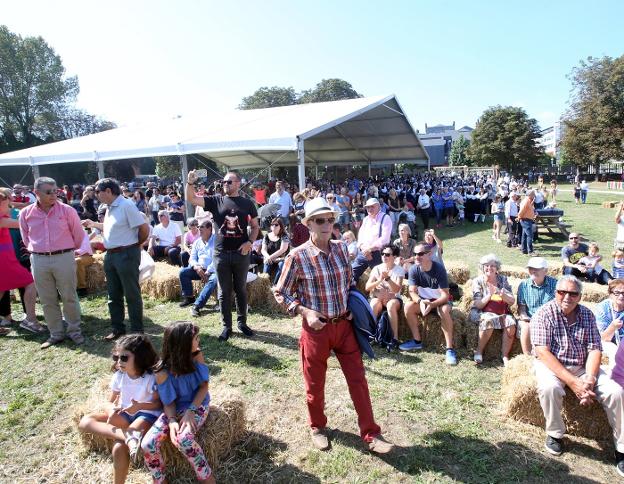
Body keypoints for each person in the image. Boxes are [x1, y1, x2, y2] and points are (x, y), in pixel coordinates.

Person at [273, 197, 394, 453]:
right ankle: (317, 426)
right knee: (315, 383)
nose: (327, 224)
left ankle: (371, 433)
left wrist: (354, 307)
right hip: (316, 329)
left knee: (358, 379)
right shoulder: (297, 256)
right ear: (308, 224)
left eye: (330, 219)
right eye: (320, 220)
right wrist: (304, 311)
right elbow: (280, 292)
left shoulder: (341, 249)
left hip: (344, 327)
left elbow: (349, 283)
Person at [530, 275, 624, 475]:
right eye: (562, 292)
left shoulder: (587, 315)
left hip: (582, 366)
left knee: (616, 391)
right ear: (555, 293)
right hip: (552, 365)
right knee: (549, 388)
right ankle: (555, 434)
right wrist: (574, 383)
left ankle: (622, 447)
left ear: (580, 296)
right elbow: (543, 353)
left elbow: (594, 350)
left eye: (572, 293)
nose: (566, 297)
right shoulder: (543, 313)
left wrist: (589, 379)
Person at [185, 169, 259, 341]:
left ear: (238, 184)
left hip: (241, 255)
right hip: (221, 255)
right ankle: (227, 326)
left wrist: (249, 242)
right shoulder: (215, 200)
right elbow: (191, 198)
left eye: (229, 182)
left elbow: (255, 227)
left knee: (240, 289)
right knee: (224, 292)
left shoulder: (247, 203)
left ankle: (242, 323)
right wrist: (190, 183)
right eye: (224, 182)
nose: (225, 184)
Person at [78, 334, 160, 483]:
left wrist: (139, 406)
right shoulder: (119, 376)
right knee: (84, 422)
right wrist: (112, 409)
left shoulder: (150, 377)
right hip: (125, 415)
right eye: (117, 358)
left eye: (124, 358)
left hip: (145, 415)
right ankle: (130, 438)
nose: (119, 362)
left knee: (118, 448)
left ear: (140, 357)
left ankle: (131, 436)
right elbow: (110, 401)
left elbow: (158, 404)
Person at [141, 322, 215, 484]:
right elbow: (168, 402)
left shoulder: (197, 356)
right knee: (147, 444)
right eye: (196, 338)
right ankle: (160, 480)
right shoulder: (161, 371)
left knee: (184, 440)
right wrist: (172, 421)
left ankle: (206, 478)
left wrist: (191, 411)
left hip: (198, 404)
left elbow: (204, 387)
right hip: (174, 410)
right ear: (183, 344)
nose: (199, 341)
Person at [19, 177, 86, 348]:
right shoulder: (26, 213)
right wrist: (38, 251)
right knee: (47, 299)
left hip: (64, 256)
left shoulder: (67, 211)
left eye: (55, 191)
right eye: (48, 192)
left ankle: (74, 331)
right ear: (36, 193)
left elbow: (78, 235)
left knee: (69, 296)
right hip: (39, 259)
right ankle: (56, 333)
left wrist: (68, 250)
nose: (53, 195)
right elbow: (25, 238)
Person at [82, 178, 150, 341]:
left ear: (108, 191)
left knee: (131, 293)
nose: (96, 195)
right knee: (113, 294)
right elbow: (112, 228)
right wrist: (94, 224)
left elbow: (143, 228)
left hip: (126, 253)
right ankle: (118, 328)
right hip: (112, 255)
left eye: (98, 192)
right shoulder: (110, 207)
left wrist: (135, 245)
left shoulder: (126, 205)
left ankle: (136, 330)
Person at [399, 241, 458, 366]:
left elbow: (445, 296)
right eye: (415, 254)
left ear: (429, 254)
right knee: (408, 306)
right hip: (424, 301)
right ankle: (417, 341)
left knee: (444, 311)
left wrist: (432, 305)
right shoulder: (414, 269)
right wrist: (420, 302)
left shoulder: (439, 269)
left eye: (420, 254)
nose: (416, 257)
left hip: (440, 302)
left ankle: (449, 349)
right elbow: (411, 291)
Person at [0, 188, 42, 335]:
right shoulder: (2, 220)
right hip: (4, 260)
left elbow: (16, 206)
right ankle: (30, 320)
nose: (11, 204)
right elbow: (23, 224)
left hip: (6, 259)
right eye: (7, 201)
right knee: (30, 282)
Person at [469, 254, 516, 366]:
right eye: (486, 265)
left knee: (511, 323)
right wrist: (489, 295)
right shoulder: (478, 281)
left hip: (501, 311)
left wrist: (502, 294)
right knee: (488, 320)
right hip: (482, 311)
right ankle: (479, 351)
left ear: (497, 268)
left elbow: (512, 301)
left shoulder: (503, 280)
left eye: (492, 265)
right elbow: (478, 304)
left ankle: (505, 356)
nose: (489, 268)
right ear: (482, 267)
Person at [365, 244, 405, 350]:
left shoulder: (399, 270)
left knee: (391, 305)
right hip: (378, 297)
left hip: (394, 299)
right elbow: (367, 287)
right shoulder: (376, 268)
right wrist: (379, 280)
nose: (384, 256)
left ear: (394, 257)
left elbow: (396, 290)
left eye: (387, 254)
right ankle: (371, 334)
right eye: (382, 254)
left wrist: (387, 279)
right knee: (374, 303)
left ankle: (395, 339)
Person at [516, 257, 557, 355]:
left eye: (537, 269)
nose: (533, 271)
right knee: (526, 327)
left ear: (546, 271)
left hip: (549, 318)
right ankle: (527, 356)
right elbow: (521, 308)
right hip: (530, 319)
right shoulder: (523, 285)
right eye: (530, 268)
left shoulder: (555, 284)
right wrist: (524, 316)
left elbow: (558, 307)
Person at [178, 220, 217, 317]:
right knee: (183, 272)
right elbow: (192, 258)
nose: (199, 228)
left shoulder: (217, 240)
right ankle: (189, 297)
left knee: (213, 280)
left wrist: (208, 271)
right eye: (199, 226)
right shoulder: (197, 242)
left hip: (213, 270)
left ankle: (197, 306)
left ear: (209, 229)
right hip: (199, 270)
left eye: (202, 227)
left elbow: (217, 258)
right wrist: (196, 267)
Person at [352, 197, 392, 283]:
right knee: (352, 273)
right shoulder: (366, 219)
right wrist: (365, 250)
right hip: (364, 252)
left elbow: (385, 239)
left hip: (378, 254)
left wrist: (369, 249)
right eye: (368, 207)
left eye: (372, 206)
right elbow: (360, 236)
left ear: (378, 206)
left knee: (381, 279)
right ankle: (352, 292)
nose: (369, 209)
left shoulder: (385, 218)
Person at [594, 279, 624, 368]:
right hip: (609, 342)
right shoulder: (603, 308)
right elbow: (604, 339)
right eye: (617, 293)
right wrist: (613, 327)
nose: (621, 296)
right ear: (610, 294)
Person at [262, 217, 290, 284]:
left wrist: (270, 257)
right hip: (270, 259)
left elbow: (283, 249)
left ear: (281, 226)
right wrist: (268, 257)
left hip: (281, 259)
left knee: (281, 265)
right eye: (272, 224)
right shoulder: (267, 236)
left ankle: (275, 285)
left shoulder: (284, 236)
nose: (274, 226)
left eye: (276, 225)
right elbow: (263, 250)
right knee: (266, 266)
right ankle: (265, 284)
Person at [75, 229, 94, 298]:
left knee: (77, 261)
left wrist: (71, 253)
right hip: (72, 256)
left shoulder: (82, 233)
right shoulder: (65, 235)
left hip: (87, 256)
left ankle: (82, 288)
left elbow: (84, 249)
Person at [518, 190, 537, 256]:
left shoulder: (528, 201)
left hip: (526, 220)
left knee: (525, 235)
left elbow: (527, 209)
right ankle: (530, 251)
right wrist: (519, 217)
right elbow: (522, 210)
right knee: (530, 235)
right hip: (525, 220)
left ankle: (524, 250)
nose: (534, 195)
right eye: (533, 194)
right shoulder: (526, 201)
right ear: (530, 195)